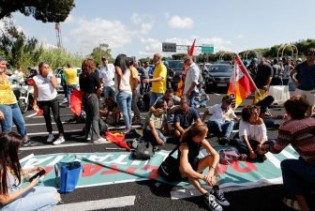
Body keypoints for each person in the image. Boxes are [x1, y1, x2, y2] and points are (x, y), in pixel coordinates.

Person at [259, 95, 315, 211]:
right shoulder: (312, 121)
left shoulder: (288, 126)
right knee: (300, 160)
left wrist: (266, 146)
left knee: (286, 164)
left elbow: (276, 149)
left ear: (288, 111)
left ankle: (301, 205)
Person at [0, 132, 61, 210]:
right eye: (17, 149)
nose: (18, 151)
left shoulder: (4, 161)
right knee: (54, 197)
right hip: (9, 206)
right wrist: (29, 186)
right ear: (9, 150)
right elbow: (3, 200)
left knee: (53, 190)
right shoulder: (1, 169)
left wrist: (32, 169)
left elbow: (12, 173)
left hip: (15, 195)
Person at [178, 122, 229, 211]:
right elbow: (185, 168)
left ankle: (215, 188)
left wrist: (211, 171)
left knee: (211, 158)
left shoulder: (201, 140)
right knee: (189, 171)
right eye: (204, 135)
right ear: (197, 136)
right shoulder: (185, 145)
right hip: (182, 171)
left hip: (194, 165)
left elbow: (216, 154)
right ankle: (207, 195)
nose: (206, 136)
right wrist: (205, 178)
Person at [33, 62, 65, 145]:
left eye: (48, 67)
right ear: (40, 68)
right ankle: (50, 134)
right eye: (44, 67)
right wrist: (34, 103)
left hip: (53, 99)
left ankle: (61, 136)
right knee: (47, 118)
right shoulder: (36, 78)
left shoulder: (51, 75)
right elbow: (35, 91)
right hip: (42, 101)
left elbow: (55, 85)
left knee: (56, 117)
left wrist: (50, 75)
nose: (46, 68)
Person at [0, 56, 30, 146]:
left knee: (20, 122)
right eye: (2, 64)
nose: (4, 66)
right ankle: (5, 148)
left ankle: (25, 139)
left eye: (5, 64)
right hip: (3, 104)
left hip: (13, 102)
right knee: (7, 127)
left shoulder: (5, 75)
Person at [79, 58, 108, 144]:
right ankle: (96, 137)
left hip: (85, 97)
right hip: (92, 96)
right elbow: (99, 88)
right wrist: (98, 97)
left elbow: (81, 89)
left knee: (88, 117)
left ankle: (87, 135)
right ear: (91, 65)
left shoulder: (81, 76)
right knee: (95, 117)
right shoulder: (94, 75)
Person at [290, 48, 315, 117]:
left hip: (312, 90)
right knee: (297, 105)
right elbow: (291, 74)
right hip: (300, 89)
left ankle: (307, 122)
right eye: (309, 54)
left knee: (310, 106)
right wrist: (294, 81)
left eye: (313, 54)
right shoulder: (301, 65)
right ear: (306, 55)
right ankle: (296, 121)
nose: (311, 56)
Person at [114, 54, 133, 133]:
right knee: (128, 110)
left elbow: (119, 74)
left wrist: (119, 85)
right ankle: (130, 125)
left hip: (122, 92)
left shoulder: (118, 67)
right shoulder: (128, 68)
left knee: (124, 111)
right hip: (129, 91)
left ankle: (128, 128)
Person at [128, 59, 141, 124]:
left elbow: (136, 79)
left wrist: (134, 88)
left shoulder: (132, 69)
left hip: (132, 89)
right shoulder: (130, 69)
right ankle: (136, 118)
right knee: (131, 105)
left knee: (133, 105)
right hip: (130, 89)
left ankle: (138, 118)